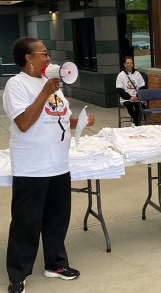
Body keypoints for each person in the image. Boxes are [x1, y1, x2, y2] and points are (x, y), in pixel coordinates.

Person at [2, 37, 95, 293]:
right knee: (26, 222)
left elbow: (61, 119)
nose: (48, 58)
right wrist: (45, 92)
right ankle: (18, 274)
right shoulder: (16, 85)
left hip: (58, 165)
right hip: (32, 167)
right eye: (43, 54)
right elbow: (23, 122)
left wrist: (80, 121)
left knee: (57, 219)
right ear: (28, 58)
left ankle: (55, 264)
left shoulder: (50, 85)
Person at [116, 56, 146, 126]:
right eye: (128, 63)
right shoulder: (121, 75)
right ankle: (137, 122)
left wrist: (136, 96)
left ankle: (136, 122)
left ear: (133, 64)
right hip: (126, 98)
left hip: (137, 97)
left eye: (131, 63)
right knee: (129, 105)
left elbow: (143, 86)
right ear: (124, 64)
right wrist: (130, 97)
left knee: (139, 105)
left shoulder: (137, 74)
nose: (129, 64)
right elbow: (119, 90)